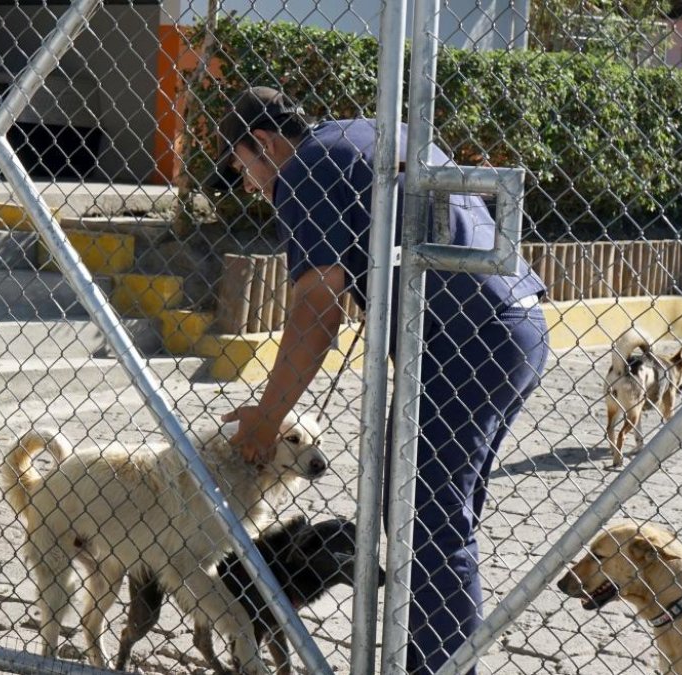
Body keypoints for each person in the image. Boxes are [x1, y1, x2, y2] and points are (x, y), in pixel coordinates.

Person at [209, 86, 549, 675]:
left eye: (240, 167)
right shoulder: (361, 132)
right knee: (433, 518)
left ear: (262, 144)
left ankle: (436, 667)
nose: (246, 186)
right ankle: (425, 659)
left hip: (463, 343)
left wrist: (267, 419)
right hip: (511, 322)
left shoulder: (307, 169)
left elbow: (317, 311)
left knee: (428, 523)